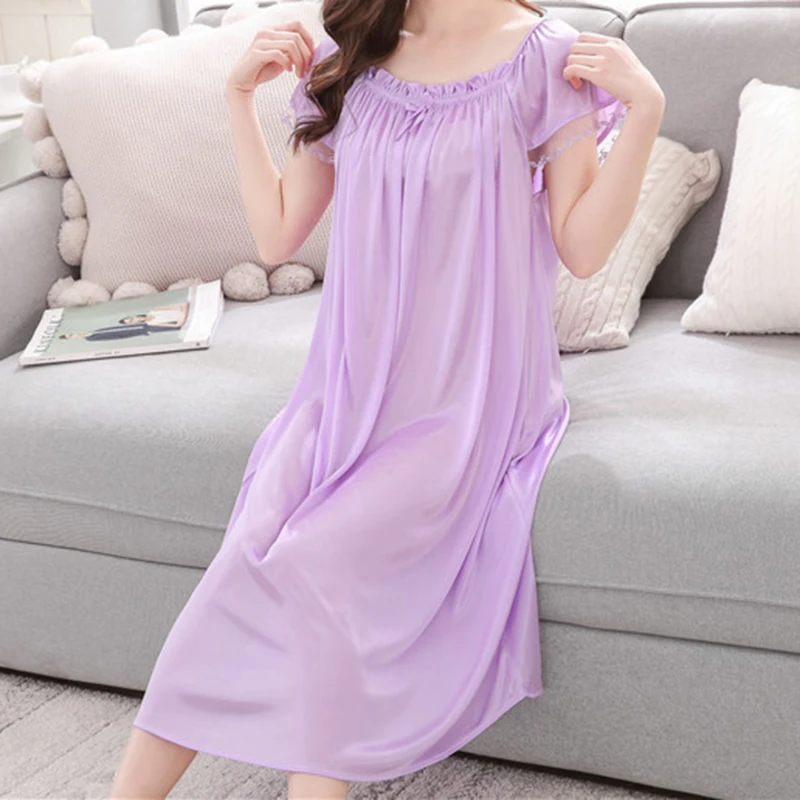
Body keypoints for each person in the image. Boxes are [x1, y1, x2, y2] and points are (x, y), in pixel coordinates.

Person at [109, 0, 664, 797]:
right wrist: (237, 98)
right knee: (248, 551)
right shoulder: (353, 55)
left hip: (468, 402)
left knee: (318, 558)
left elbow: (581, 248)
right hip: (345, 395)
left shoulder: (544, 58)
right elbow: (276, 235)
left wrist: (645, 113)